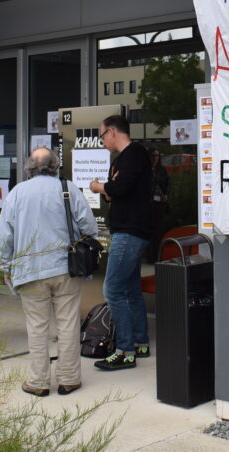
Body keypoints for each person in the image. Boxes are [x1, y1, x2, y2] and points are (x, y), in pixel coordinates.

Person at [0, 147, 97, 397]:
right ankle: (69, 379)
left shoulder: (17, 193)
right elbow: (89, 227)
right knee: (68, 324)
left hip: (29, 270)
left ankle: (39, 382)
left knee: (37, 327)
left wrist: (5, 265)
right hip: (66, 268)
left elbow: (5, 235)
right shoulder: (68, 189)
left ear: (30, 167)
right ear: (55, 166)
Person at [89, 114, 152, 370]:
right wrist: (109, 188)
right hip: (128, 230)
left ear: (112, 132)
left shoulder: (135, 154)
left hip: (129, 232)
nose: (102, 141)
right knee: (129, 288)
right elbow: (114, 194)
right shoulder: (121, 160)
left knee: (112, 289)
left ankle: (124, 351)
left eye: (102, 135)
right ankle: (140, 343)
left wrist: (97, 186)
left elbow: (119, 189)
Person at [145, 147, 170, 263]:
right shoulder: (145, 170)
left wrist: (166, 194)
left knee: (158, 230)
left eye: (157, 156)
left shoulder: (161, 170)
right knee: (148, 230)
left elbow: (167, 184)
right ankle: (149, 256)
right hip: (148, 203)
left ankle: (156, 255)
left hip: (159, 203)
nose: (155, 158)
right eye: (153, 156)